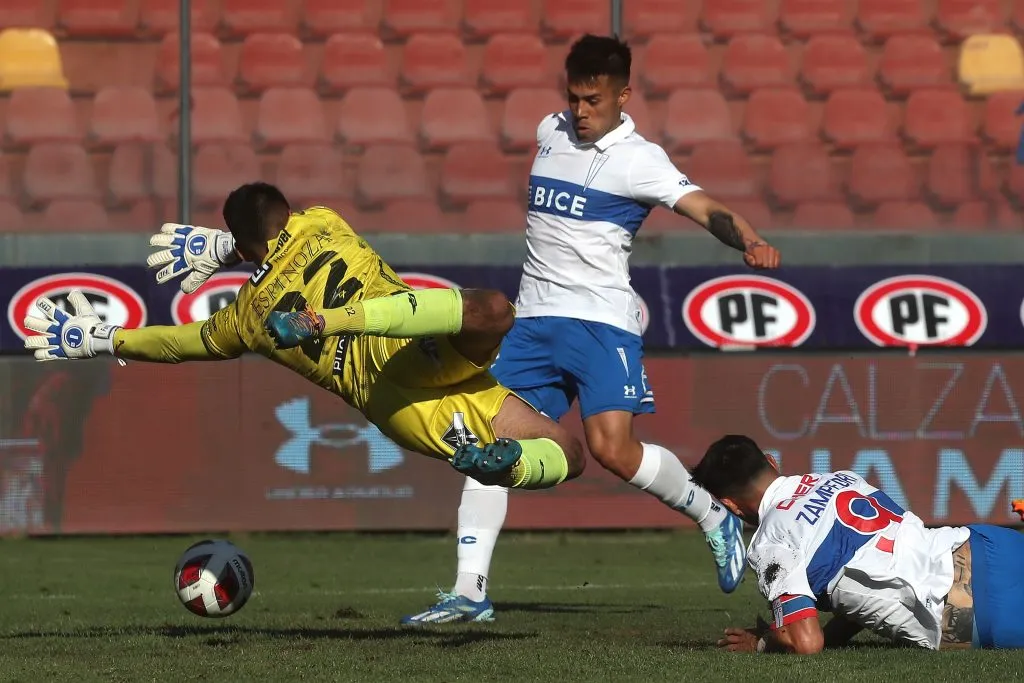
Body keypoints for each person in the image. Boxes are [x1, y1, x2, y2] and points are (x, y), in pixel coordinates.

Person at [391, 34, 782, 624]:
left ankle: (713, 515)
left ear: (624, 95)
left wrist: (748, 238)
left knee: (611, 452)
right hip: (531, 324)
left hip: (600, 325)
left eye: (593, 100)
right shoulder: (549, 131)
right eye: (573, 97)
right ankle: (469, 591)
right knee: (482, 444)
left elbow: (705, 208)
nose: (580, 110)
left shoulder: (639, 159)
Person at [22, 183, 586, 493]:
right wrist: (228, 246)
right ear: (287, 213)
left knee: (570, 451)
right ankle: (509, 464)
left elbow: (176, 343)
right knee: (491, 310)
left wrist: (107, 339)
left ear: (245, 242)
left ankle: (507, 464)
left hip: (400, 399)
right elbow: (275, 230)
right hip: (409, 362)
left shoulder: (246, 320)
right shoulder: (324, 220)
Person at [692, 434, 1024, 653]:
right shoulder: (839, 477)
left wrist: (764, 642)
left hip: (970, 609)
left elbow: (806, 642)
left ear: (731, 505)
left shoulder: (771, 541)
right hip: (986, 543)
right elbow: (862, 581)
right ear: (771, 462)